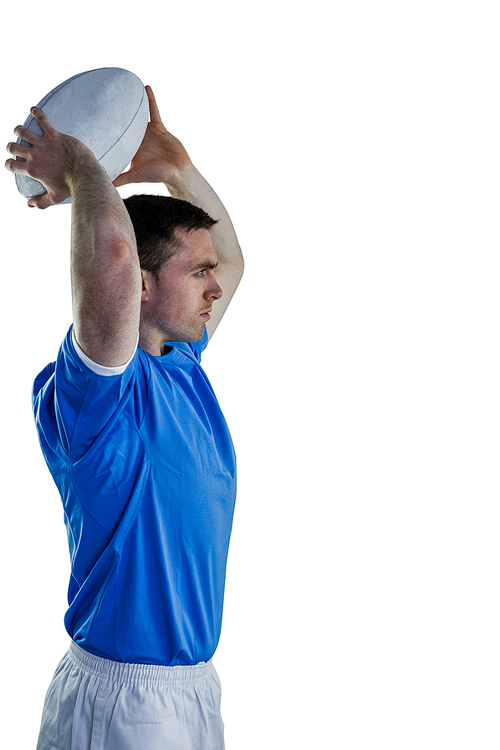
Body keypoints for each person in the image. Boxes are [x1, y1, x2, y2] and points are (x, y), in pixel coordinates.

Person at [5, 85, 244, 750]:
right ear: (140, 285)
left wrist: (174, 168)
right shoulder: (94, 396)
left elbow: (233, 260)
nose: (215, 285)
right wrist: (82, 168)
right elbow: (110, 257)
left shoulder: (178, 368)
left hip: (193, 689)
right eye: (196, 273)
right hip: (125, 702)